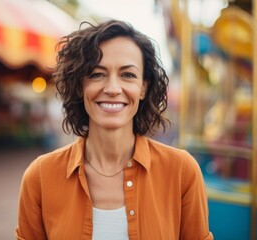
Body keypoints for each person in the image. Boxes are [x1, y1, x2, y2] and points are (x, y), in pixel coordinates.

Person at [16, 20, 213, 240]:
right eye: (97, 74)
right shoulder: (40, 176)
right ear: (80, 86)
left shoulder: (182, 172)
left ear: (143, 87)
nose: (112, 89)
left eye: (127, 75)